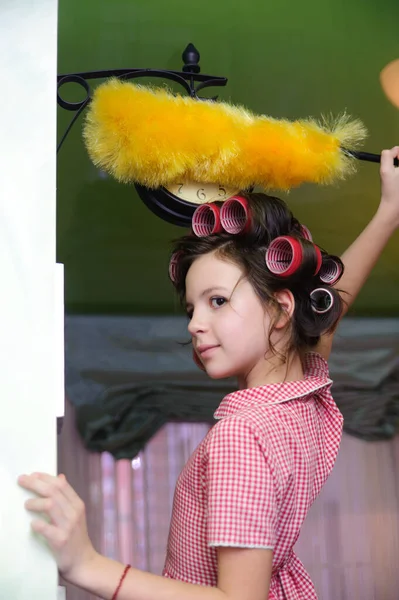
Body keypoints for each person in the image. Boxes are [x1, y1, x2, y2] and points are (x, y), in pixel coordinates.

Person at [18, 147, 399, 600]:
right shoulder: (302, 393)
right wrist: (389, 214)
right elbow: (329, 307)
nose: (194, 323)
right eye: (191, 307)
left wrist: (88, 565)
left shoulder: (244, 437)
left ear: (280, 308)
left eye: (217, 300)